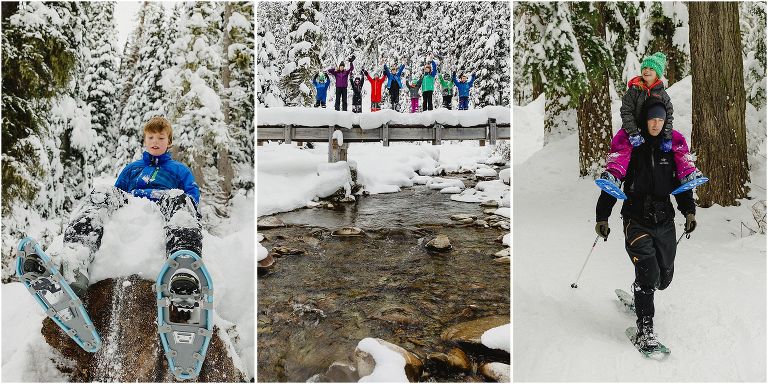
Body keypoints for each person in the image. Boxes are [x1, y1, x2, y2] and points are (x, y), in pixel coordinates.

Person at [38, 116, 202, 297]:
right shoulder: (132, 169)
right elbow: (117, 193)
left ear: (169, 142)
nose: (155, 142)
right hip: (133, 204)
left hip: (163, 205)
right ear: (144, 140)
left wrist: (177, 201)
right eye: (151, 137)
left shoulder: (179, 170)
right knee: (102, 192)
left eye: (161, 138)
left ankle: (183, 264)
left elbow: (192, 198)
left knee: (180, 198)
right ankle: (76, 257)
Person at [594, 98, 697, 353]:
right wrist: (602, 217)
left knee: (664, 278)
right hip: (635, 219)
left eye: (660, 120)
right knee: (649, 275)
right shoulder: (633, 149)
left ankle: (643, 289)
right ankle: (645, 329)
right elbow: (613, 183)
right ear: (644, 120)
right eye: (652, 119)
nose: (656, 124)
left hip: (665, 220)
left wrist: (689, 212)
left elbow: (681, 186)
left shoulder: (668, 150)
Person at [601, 52, 704, 190]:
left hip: (655, 128)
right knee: (620, 140)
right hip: (635, 129)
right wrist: (632, 132)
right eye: (645, 68)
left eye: (651, 69)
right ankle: (614, 174)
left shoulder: (662, 94)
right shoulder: (634, 90)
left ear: (658, 73)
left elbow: (668, 115)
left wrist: (667, 136)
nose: (647, 71)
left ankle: (688, 172)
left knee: (678, 139)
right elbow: (626, 111)